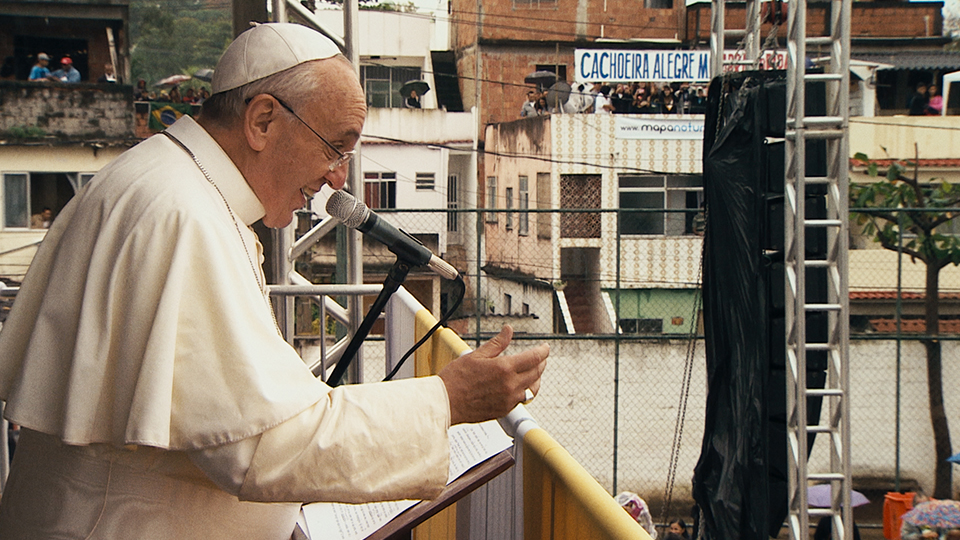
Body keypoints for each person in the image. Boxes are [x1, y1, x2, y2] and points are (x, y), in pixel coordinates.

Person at [0, 22, 548, 539]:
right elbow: (260, 445)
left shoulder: (168, 182)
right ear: (262, 120)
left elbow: (240, 413)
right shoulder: (185, 215)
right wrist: (446, 402)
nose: (339, 177)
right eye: (336, 147)